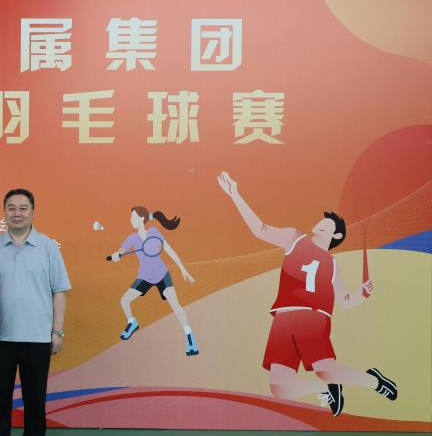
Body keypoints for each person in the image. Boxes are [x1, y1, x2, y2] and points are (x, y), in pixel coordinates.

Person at [217, 171, 397, 416]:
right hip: (283, 319)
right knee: (279, 387)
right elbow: (260, 229)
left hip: (312, 318)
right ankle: (326, 391)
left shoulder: (332, 263)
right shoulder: (294, 238)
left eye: (328, 223)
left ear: (336, 235)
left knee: (326, 370)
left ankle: (375, 381)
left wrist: (361, 293)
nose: (322, 222)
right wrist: (235, 194)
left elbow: (345, 301)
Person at [0, 189, 70, 436]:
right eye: (11, 207)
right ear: (4, 212)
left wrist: (57, 331)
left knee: (35, 401)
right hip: (0, 338)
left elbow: (59, 292)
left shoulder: (48, 247)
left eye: (23, 207)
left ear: (33, 212)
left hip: (38, 338)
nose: (17, 213)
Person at [109, 206, 199, 356]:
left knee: (176, 305)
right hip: (144, 277)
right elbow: (121, 251)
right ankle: (132, 322)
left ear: (141, 219)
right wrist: (117, 255)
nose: (130, 220)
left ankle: (190, 337)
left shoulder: (154, 233)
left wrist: (183, 270)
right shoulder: (132, 238)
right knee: (124, 301)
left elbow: (170, 251)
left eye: (133, 217)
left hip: (162, 275)